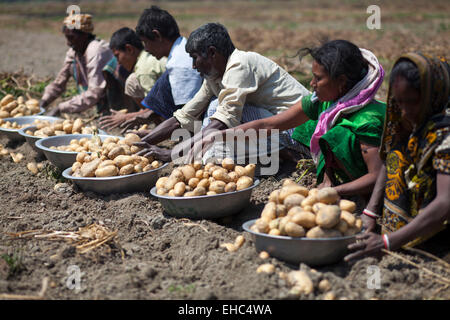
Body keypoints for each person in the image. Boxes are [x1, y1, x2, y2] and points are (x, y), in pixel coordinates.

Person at [194, 40, 386, 197]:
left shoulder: (368, 121)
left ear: (342, 82)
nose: (311, 84)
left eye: (318, 79)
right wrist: (217, 136)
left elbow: (377, 176)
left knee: (339, 133)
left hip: (369, 188)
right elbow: (270, 124)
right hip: (338, 181)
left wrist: (332, 192)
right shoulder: (324, 101)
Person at [135, 22, 310, 162]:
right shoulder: (214, 75)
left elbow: (224, 120)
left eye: (195, 58)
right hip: (276, 127)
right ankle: (269, 152)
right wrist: (142, 143)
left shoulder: (240, 65)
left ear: (212, 53)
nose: (194, 66)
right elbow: (185, 115)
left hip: (299, 133)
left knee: (216, 112)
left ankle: (284, 151)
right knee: (212, 115)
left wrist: (173, 153)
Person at [344, 53, 450, 262]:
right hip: (418, 220)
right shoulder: (410, 121)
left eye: (412, 102)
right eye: (399, 102)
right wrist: (371, 212)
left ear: (433, 94)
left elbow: (446, 203)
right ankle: (408, 231)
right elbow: (390, 159)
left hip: (442, 220)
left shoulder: (444, 133)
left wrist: (388, 242)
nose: (404, 112)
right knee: (398, 151)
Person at [99, 6, 202, 132]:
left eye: (146, 42)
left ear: (157, 36)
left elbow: (189, 118)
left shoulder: (179, 66)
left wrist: (154, 134)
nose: (146, 49)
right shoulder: (180, 50)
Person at [40, 13, 114, 116]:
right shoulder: (75, 51)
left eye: (71, 38)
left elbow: (94, 93)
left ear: (85, 35)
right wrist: (43, 102)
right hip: (96, 99)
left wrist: (60, 108)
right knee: (71, 65)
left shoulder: (96, 51)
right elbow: (60, 81)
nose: (68, 43)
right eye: (67, 38)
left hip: (112, 100)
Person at [99, 27, 167, 128]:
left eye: (117, 56)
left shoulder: (143, 69)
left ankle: (164, 126)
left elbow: (156, 108)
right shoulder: (147, 57)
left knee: (132, 82)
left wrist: (127, 117)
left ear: (129, 49)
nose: (118, 62)